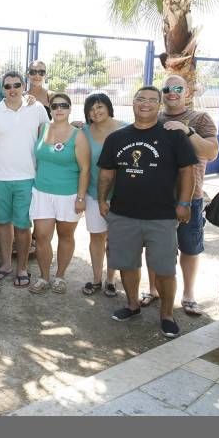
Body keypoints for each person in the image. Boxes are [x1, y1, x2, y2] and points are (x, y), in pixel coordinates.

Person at [98, 86, 197, 339]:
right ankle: (132, 305)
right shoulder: (117, 138)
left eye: (152, 100)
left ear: (160, 105)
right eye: (141, 99)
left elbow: (187, 171)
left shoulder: (173, 137)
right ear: (133, 102)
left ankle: (166, 315)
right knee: (127, 264)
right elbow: (107, 173)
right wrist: (101, 200)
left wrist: (184, 204)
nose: (146, 104)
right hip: (123, 214)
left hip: (162, 216)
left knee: (165, 269)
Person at [139, 75, 219, 314]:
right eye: (167, 88)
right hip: (157, 196)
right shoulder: (156, 117)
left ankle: (188, 294)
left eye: (177, 88)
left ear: (187, 92)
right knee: (153, 247)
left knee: (189, 247)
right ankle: (152, 289)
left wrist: (188, 131)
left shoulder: (200, 118)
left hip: (190, 197)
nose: (172, 92)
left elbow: (212, 152)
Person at [0, 71, 50, 283]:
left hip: (28, 177)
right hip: (0, 178)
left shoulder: (36, 108)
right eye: (8, 86)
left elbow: (47, 138)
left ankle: (21, 269)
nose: (12, 90)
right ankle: (6, 264)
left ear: (23, 86)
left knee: (22, 225)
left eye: (16, 85)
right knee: (3, 223)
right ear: (3, 89)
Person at [29, 93, 90, 293]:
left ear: (70, 108)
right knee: (42, 236)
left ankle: (60, 276)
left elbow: (85, 169)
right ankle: (44, 277)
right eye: (55, 106)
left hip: (68, 195)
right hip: (42, 192)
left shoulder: (78, 135)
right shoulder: (42, 128)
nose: (59, 109)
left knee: (65, 236)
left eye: (64, 105)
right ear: (51, 109)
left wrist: (81, 197)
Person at [80, 93, 125, 297]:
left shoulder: (125, 128)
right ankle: (97, 278)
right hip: (94, 193)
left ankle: (110, 280)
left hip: (122, 195)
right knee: (96, 237)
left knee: (115, 240)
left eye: (99, 107)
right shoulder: (84, 132)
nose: (95, 112)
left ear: (108, 107)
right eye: (91, 109)